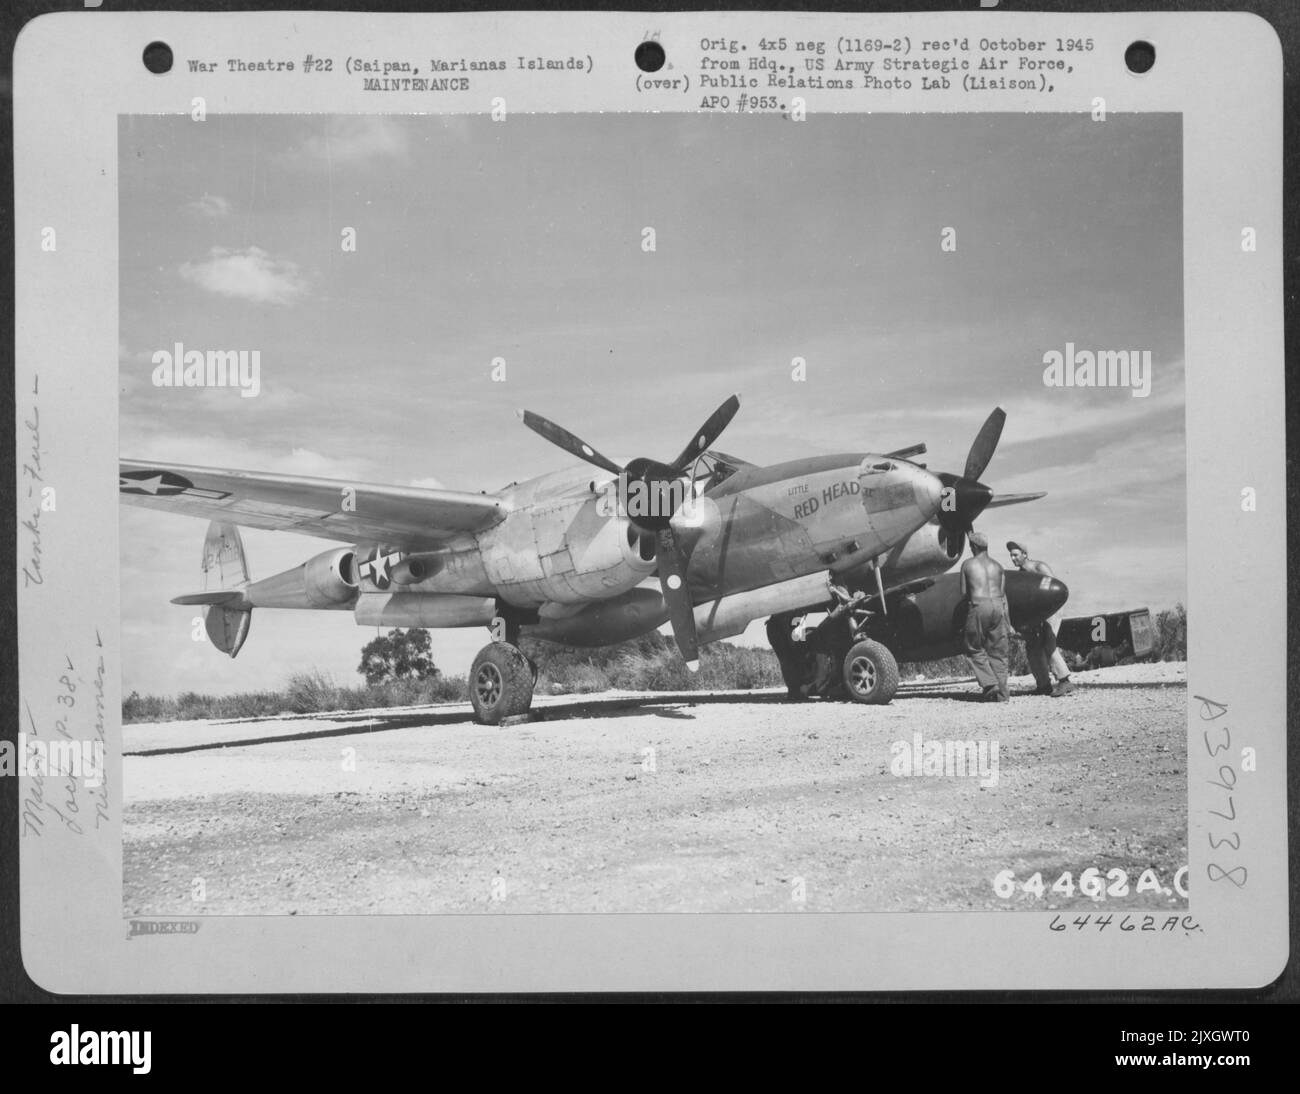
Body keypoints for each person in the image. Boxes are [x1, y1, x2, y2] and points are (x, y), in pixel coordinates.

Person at [1006, 541, 1076, 697]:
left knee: (1048, 642)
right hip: (1036, 613)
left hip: (1052, 609)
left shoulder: (1039, 568)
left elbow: (1052, 590)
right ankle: (1043, 684)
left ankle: (1065, 681)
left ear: (1025, 554)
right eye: (1011, 555)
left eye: (1016, 554)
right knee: (1032, 646)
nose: (1013, 558)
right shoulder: (1021, 575)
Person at [960, 531, 1010, 701]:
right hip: (998, 605)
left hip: (979, 605)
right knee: (998, 652)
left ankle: (989, 684)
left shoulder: (968, 565)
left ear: (973, 547)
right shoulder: (998, 566)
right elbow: (1002, 593)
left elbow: (964, 592)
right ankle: (1003, 694)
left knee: (973, 647)